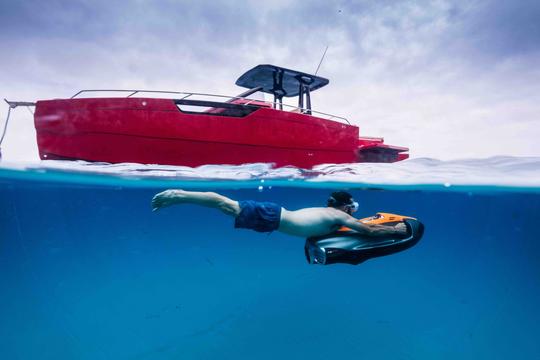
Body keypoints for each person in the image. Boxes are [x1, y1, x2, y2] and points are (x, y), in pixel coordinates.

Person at [151, 189, 407, 239]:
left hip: (274, 218)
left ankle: (180, 197)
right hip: (274, 217)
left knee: (225, 206)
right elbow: (369, 231)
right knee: (224, 204)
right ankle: (179, 195)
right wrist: (396, 230)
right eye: (351, 209)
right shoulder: (340, 216)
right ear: (345, 207)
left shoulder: (329, 213)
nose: (352, 213)